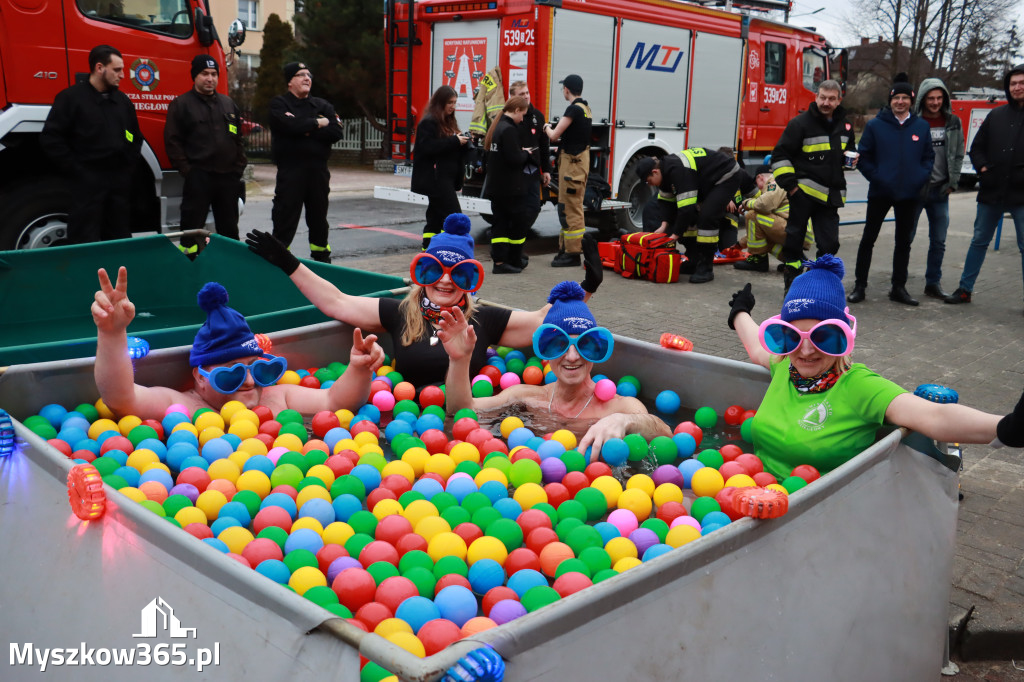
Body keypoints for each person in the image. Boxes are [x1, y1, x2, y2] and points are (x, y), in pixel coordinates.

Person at [726, 254, 1024, 480]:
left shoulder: (857, 386)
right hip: (750, 491)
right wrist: (740, 311)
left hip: (814, 512)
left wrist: (1005, 428)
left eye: (823, 337)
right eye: (791, 336)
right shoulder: (784, 366)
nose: (804, 350)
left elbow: (934, 416)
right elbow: (755, 348)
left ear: (845, 336)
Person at [246, 213, 603, 387]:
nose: (446, 281)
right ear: (422, 272)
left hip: (468, 429)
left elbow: (548, 319)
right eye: (435, 270)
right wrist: (288, 263)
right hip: (400, 423)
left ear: (470, 280)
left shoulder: (486, 320)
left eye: (459, 273)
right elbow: (337, 302)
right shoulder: (400, 312)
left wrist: (588, 283)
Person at [90, 267, 384, 421]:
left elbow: (336, 402)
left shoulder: (276, 398)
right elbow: (121, 399)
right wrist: (113, 334)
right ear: (200, 378)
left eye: (258, 371)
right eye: (230, 373)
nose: (247, 382)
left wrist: (359, 370)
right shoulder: (185, 408)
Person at [437, 281, 671, 460]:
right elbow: (460, 410)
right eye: (559, 345)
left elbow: (664, 432)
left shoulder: (619, 408)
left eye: (585, 344)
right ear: (545, 350)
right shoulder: (524, 397)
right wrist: (459, 359)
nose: (572, 356)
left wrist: (624, 421)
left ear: (596, 349)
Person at [40, 44, 141, 244]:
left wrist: (127, 167)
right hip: (87, 185)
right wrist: (77, 170)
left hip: (117, 186)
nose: (122, 75)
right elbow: (52, 139)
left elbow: (133, 135)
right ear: (99, 68)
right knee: (85, 239)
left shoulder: (122, 102)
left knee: (119, 239)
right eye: (117, 70)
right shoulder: (71, 99)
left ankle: (118, 274)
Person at [847, 74, 934, 306]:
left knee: (903, 242)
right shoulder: (876, 125)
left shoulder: (921, 127)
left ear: (911, 100)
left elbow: (928, 159)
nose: (901, 102)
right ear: (891, 100)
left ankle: (898, 287)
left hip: (909, 195)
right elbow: (863, 158)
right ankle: (860, 286)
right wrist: (878, 178)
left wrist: (919, 179)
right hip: (880, 192)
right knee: (868, 239)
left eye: (906, 98)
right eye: (897, 98)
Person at [945, 64, 1024, 308]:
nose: (1017, 87)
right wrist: (983, 169)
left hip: (1022, 195)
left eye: (1022, 83)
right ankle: (965, 290)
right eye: (1013, 83)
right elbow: (976, 147)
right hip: (992, 190)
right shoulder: (996, 115)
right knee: (979, 240)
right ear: (1007, 87)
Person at [770, 80, 857, 292]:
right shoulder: (800, 124)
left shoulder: (845, 128)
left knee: (829, 246)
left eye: (831, 98)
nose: (826, 102)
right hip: (802, 194)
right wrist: (791, 188)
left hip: (830, 197)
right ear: (816, 97)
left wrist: (853, 161)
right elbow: (780, 157)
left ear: (839, 100)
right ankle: (792, 286)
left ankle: (814, 283)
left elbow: (848, 155)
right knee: (794, 243)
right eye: (822, 97)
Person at [165, 54, 247, 251]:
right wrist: (188, 171)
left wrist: (238, 167)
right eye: (204, 74)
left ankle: (229, 264)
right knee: (192, 228)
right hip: (198, 177)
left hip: (227, 177)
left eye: (213, 74)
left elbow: (238, 139)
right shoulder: (181, 105)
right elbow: (172, 141)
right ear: (195, 76)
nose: (210, 78)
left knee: (229, 229)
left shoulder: (228, 104)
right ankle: (191, 262)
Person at [269, 61, 343, 263]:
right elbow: (288, 126)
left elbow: (336, 131)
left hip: (317, 172)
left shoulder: (322, 105)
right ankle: (280, 262)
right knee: (285, 219)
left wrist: (303, 130)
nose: (307, 78)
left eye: (309, 75)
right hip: (291, 172)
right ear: (289, 82)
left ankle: (322, 261)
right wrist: (317, 123)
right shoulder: (279, 104)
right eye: (301, 74)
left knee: (319, 219)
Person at [635, 149, 743, 283]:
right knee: (687, 221)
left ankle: (705, 268)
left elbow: (686, 209)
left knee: (706, 218)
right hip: (706, 183)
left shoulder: (677, 171)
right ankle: (694, 260)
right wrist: (664, 225)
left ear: (655, 172)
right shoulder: (666, 174)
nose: (649, 184)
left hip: (724, 176)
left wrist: (675, 235)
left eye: (648, 181)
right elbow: (666, 203)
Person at [912, 76, 965, 300]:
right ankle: (898, 282)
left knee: (939, 241)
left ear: (944, 98)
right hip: (916, 190)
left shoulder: (952, 122)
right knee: (906, 237)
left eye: (939, 97)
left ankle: (932, 283)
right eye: (930, 98)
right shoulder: (914, 122)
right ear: (923, 99)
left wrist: (953, 182)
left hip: (941, 190)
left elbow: (959, 153)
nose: (934, 102)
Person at [411, 85, 470, 250]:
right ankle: (454, 250)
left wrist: (463, 142)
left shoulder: (449, 121)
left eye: (455, 102)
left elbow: (449, 148)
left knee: (435, 218)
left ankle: (428, 250)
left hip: (446, 178)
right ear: (440, 102)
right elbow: (426, 147)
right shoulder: (429, 123)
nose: (453, 106)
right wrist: (454, 141)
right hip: (436, 180)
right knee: (455, 216)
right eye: (450, 102)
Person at [544, 75, 592, 268]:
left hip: (572, 167)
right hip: (576, 164)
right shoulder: (586, 109)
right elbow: (577, 136)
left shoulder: (573, 109)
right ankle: (566, 250)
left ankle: (572, 254)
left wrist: (546, 127)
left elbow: (555, 135)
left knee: (570, 209)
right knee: (568, 207)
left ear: (567, 89)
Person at [731, 166, 814, 271]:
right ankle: (795, 261)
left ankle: (758, 260)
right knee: (763, 236)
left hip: (795, 231)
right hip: (800, 232)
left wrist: (746, 203)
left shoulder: (775, 181)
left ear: (760, 177)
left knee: (751, 215)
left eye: (756, 184)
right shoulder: (783, 181)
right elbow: (757, 232)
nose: (759, 189)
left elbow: (765, 204)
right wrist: (740, 244)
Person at [482, 96, 530, 274]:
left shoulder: (497, 127)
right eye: (522, 114)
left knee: (500, 224)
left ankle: (501, 261)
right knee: (517, 224)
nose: (523, 119)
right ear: (516, 110)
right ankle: (514, 259)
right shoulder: (509, 130)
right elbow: (515, 158)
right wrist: (525, 153)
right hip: (510, 188)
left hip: (497, 187)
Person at [509, 80, 552, 244]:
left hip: (532, 171)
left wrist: (546, 170)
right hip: (514, 171)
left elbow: (544, 145)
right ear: (512, 97)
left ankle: (518, 237)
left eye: (527, 92)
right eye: (521, 94)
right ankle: (514, 241)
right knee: (515, 208)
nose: (526, 96)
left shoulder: (537, 116)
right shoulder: (508, 118)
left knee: (533, 207)